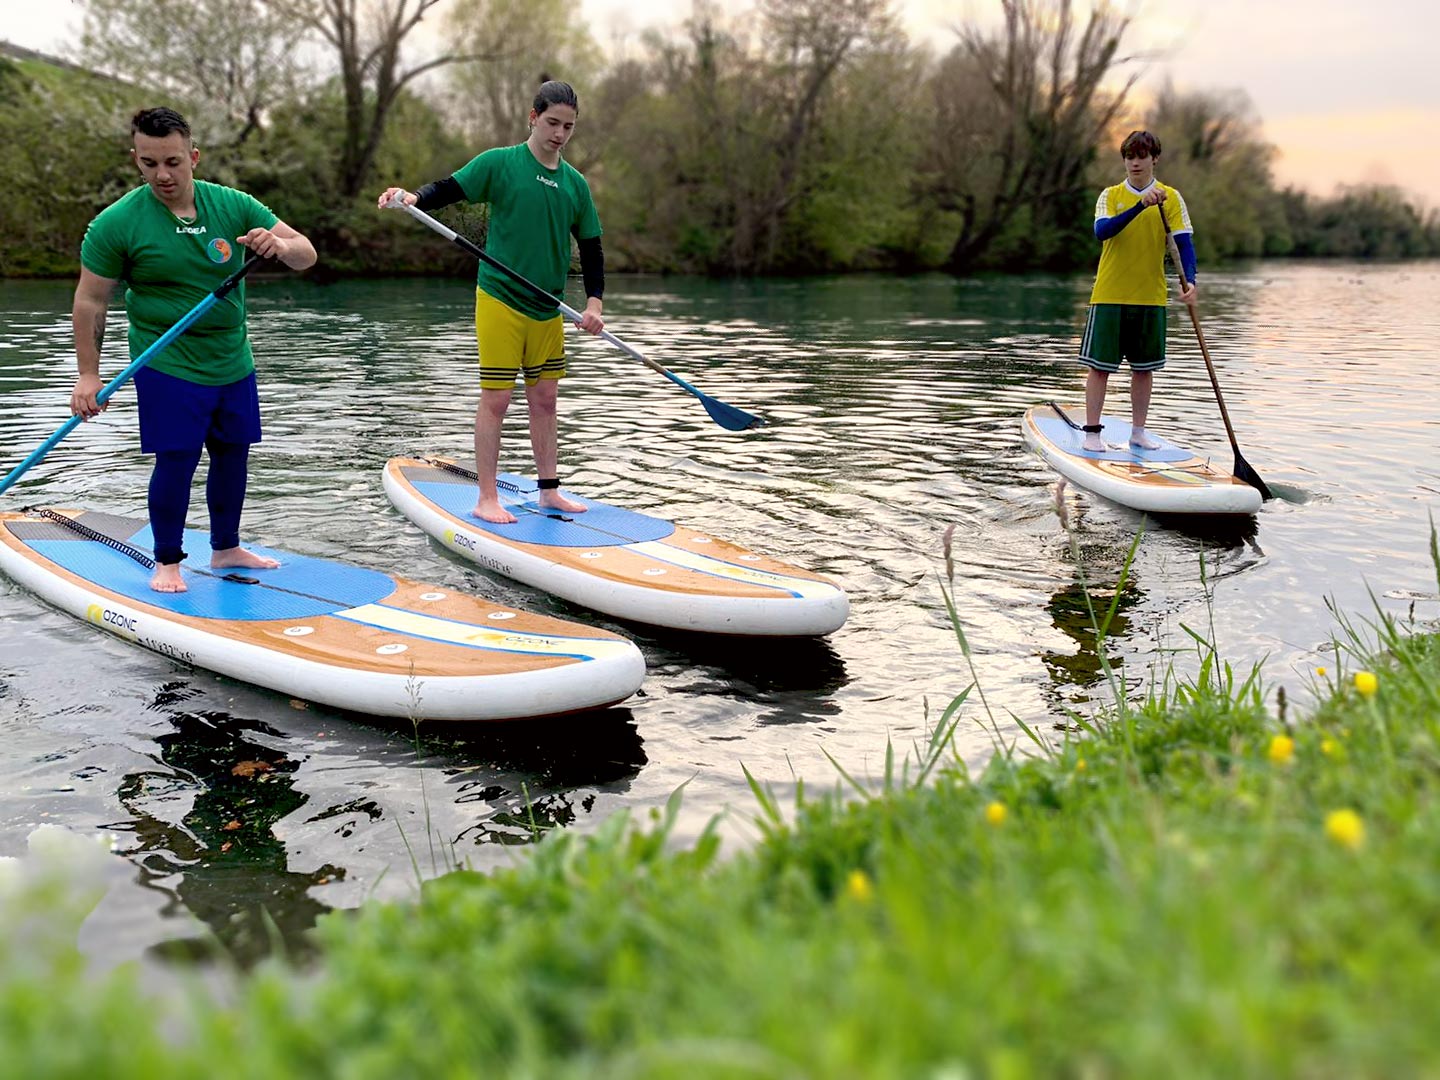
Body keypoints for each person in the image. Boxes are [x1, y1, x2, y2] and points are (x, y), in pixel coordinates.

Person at [71, 106, 316, 593]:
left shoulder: (233, 204)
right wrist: (88, 376)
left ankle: (226, 548)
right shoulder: (115, 224)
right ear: (136, 160)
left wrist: (280, 246)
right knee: (177, 456)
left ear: (194, 157)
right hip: (166, 360)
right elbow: (90, 300)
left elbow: (306, 254)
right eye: (149, 163)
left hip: (231, 357)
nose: (162, 174)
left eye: (173, 162)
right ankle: (167, 561)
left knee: (233, 454)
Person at [376, 78, 605, 524]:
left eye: (569, 127)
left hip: (548, 307)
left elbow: (592, 247)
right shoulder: (500, 164)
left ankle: (549, 492)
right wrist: (413, 197)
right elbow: (448, 188)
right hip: (500, 298)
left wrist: (593, 304)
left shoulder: (575, 185)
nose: (559, 133)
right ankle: (485, 498)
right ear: (533, 118)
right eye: (552, 122)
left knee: (545, 399)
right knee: (497, 399)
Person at [1079, 129, 1197, 453]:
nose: (1134, 162)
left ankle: (1138, 433)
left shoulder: (1171, 198)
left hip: (1150, 296)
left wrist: (1192, 282)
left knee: (1144, 371)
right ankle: (1092, 434)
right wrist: (1138, 207)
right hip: (1109, 295)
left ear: (1154, 159)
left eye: (1141, 156)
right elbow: (1103, 231)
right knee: (1099, 368)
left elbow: (1184, 245)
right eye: (1129, 156)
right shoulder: (1111, 195)